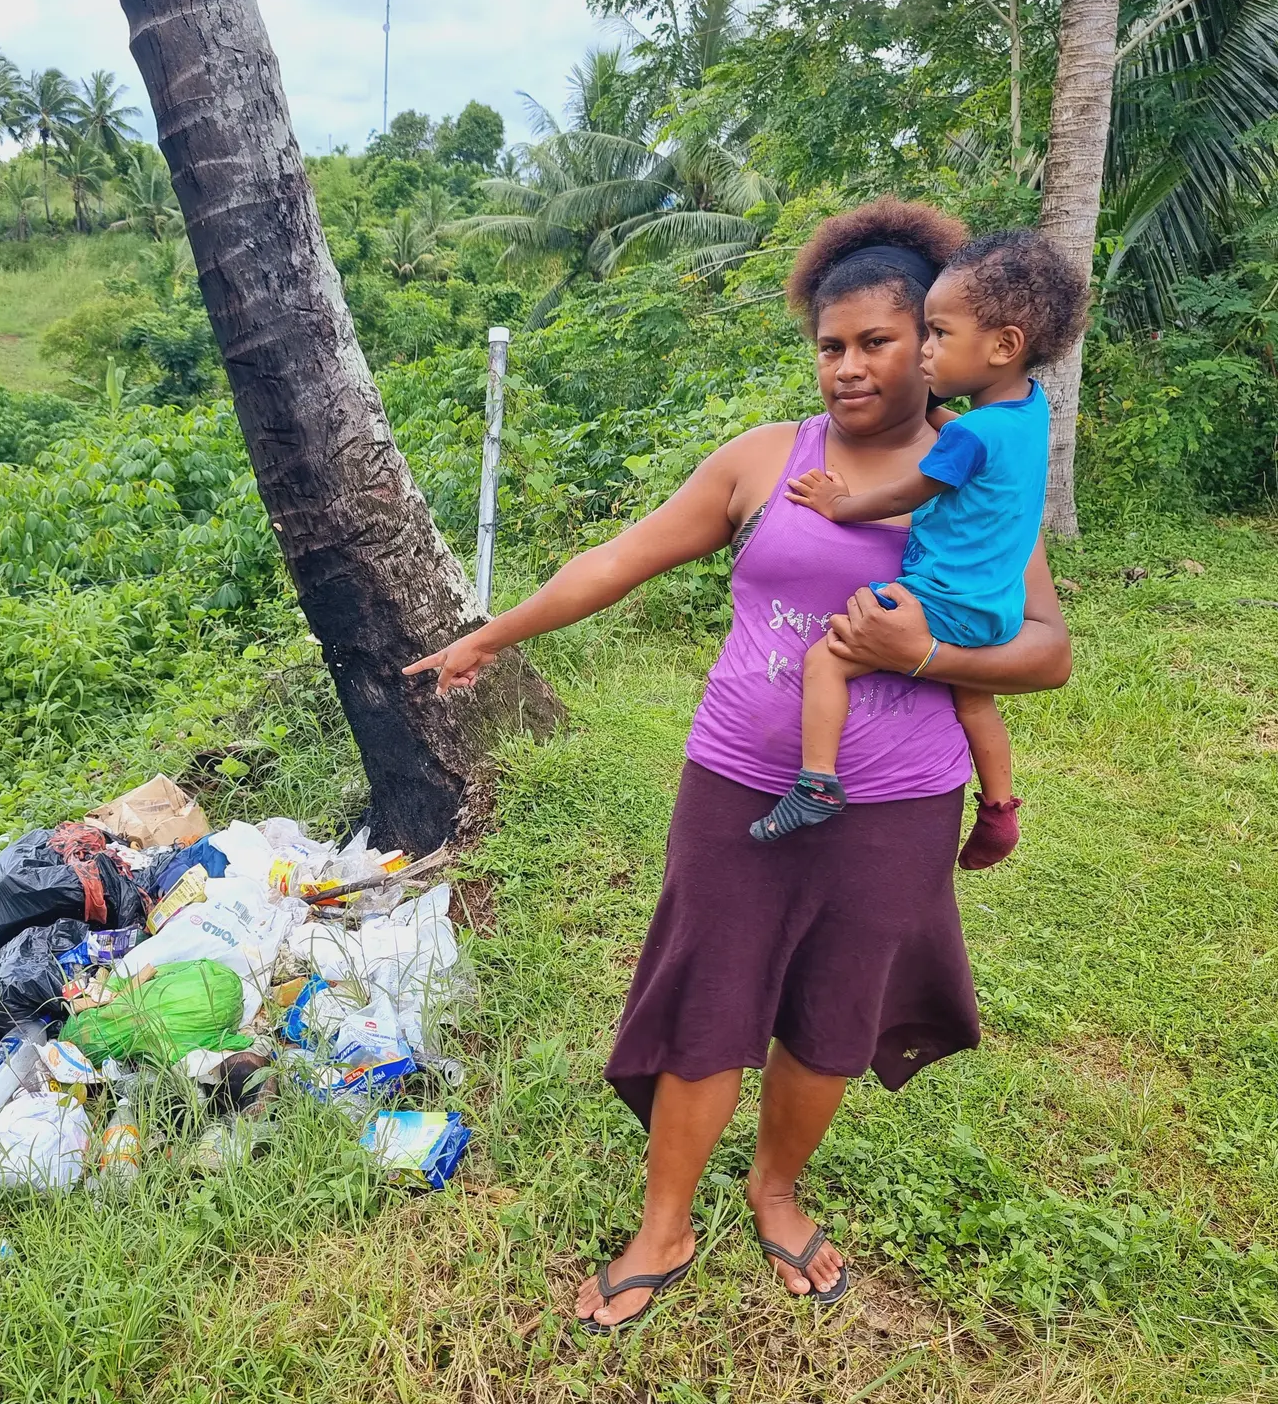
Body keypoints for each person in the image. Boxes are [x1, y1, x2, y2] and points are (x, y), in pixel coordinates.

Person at [404, 199, 1072, 1332]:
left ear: (941, 343)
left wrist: (931, 651)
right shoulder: (768, 458)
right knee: (708, 994)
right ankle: (664, 1223)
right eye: (830, 346)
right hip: (737, 783)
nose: (848, 369)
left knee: (833, 1011)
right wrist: (493, 632)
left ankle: (776, 1190)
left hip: (899, 801)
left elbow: (1046, 653)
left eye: (878, 342)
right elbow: (617, 557)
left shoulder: (982, 475)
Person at [754, 230, 1089, 869]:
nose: (927, 351)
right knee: (971, 694)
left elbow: (903, 492)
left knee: (829, 657)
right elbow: (965, 437)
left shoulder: (968, 437)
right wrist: (938, 413)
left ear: (1004, 345)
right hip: (994, 607)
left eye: (938, 334)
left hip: (940, 599)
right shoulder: (1029, 411)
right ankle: (998, 809)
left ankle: (815, 782)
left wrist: (838, 503)